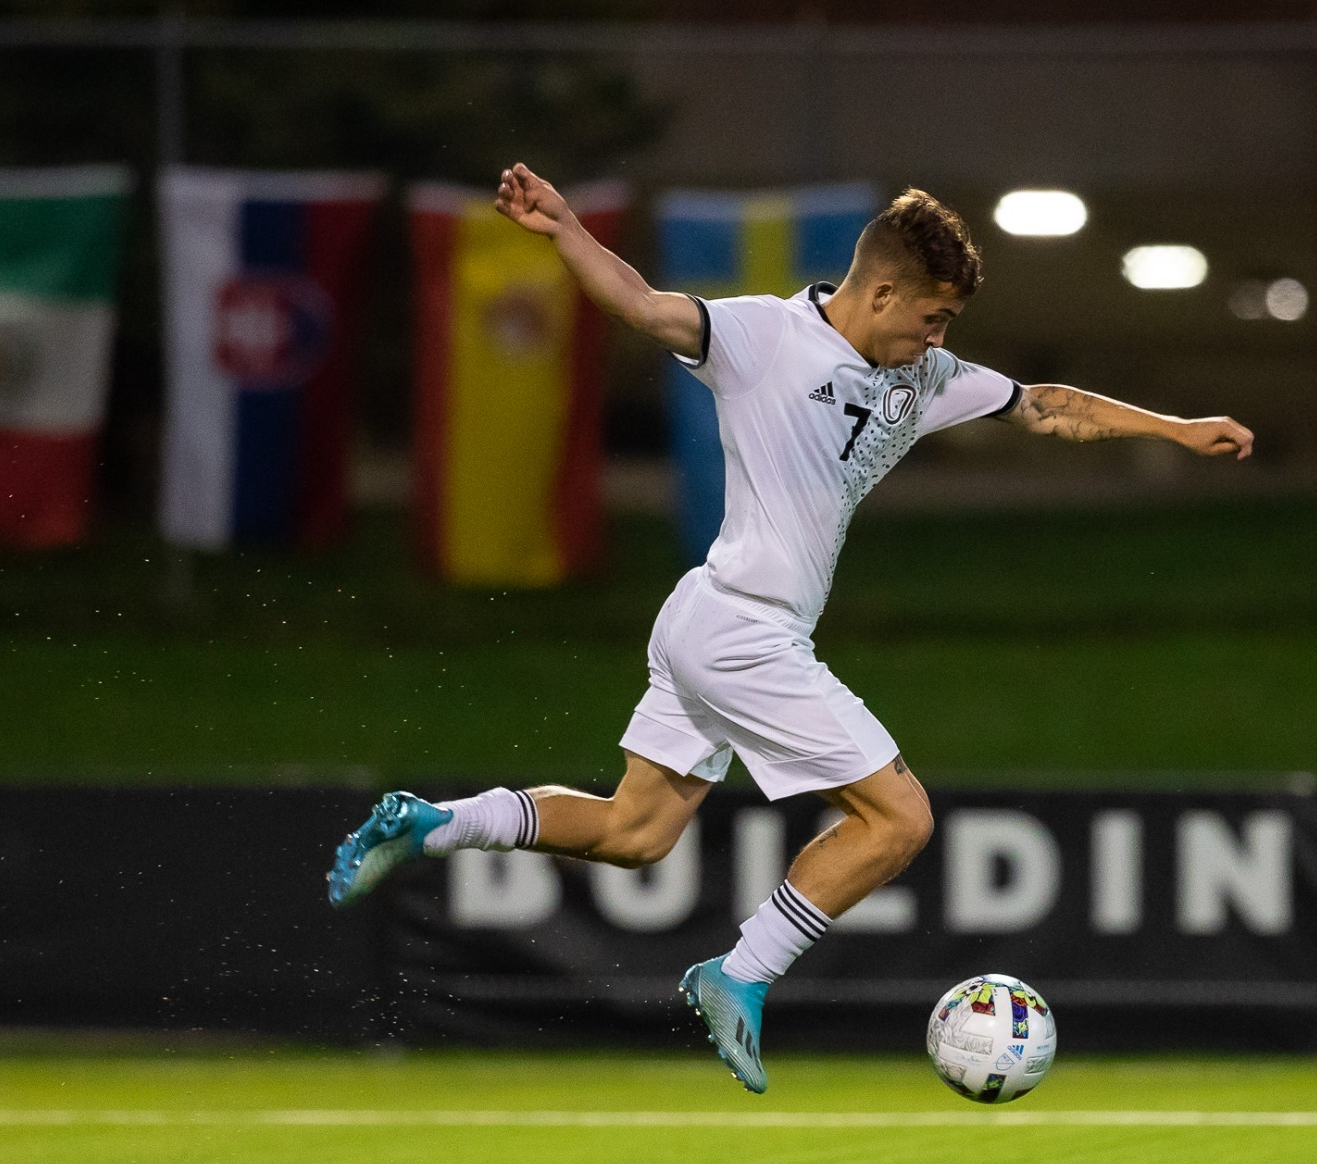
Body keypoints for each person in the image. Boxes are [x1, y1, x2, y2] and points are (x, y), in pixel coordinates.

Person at [327, 164, 1253, 1092]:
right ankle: (741, 971)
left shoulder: (924, 376)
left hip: (708, 614)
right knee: (900, 819)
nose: (939, 338)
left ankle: (438, 823)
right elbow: (648, 309)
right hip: (744, 631)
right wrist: (566, 227)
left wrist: (1176, 428)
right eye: (931, 317)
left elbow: (1044, 404)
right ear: (881, 289)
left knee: (636, 831)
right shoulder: (763, 336)